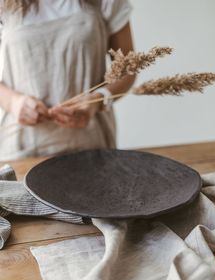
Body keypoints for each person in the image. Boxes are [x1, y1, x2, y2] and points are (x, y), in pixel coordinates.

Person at [0, 0, 135, 161]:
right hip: (21, 149)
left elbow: (128, 70)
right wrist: (14, 102)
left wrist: (98, 99)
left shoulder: (107, 2)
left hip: (92, 145)